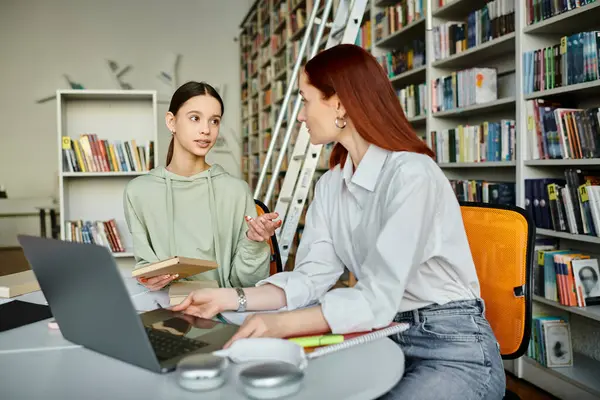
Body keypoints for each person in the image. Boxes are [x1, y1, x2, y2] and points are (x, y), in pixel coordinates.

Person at [172, 45, 506, 399]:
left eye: (305, 100)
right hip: (379, 336)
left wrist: (280, 324)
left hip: (452, 347)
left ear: (340, 104)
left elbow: (377, 295)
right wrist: (226, 298)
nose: (301, 116)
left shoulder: (413, 175)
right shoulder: (331, 185)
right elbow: (310, 277)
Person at [124, 81, 280, 291]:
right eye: (195, 118)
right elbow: (145, 265)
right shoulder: (138, 192)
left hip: (221, 313)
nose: (206, 130)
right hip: (166, 311)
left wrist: (254, 241)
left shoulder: (235, 191)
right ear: (171, 122)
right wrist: (150, 278)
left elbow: (246, 284)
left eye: (214, 121)